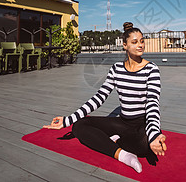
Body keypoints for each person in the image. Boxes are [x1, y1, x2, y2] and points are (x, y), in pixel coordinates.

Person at [43, 22, 167, 173]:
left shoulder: (152, 69)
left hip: (142, 124)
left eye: (142, 41)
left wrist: (154, 134)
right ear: (125, 45)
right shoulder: (116, 69)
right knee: (79, 125)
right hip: (123, 122)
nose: (140, 45)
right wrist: (68, 120)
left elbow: (153, 103)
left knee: (144, 145)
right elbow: (99, 97)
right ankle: (123, 155)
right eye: (134, 42)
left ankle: (115, 140)